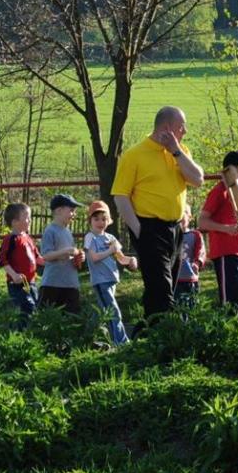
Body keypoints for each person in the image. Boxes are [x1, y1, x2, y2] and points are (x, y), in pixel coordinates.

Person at [111, 106, 205, 321]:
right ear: (167, 128)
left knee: (164, 287)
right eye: (181, 127)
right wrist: (139, 229)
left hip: (175, 228)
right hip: (149, 228)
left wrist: (176, 151)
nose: (185, 131)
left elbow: (198, 179)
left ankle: (146, 332)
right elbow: (120, 196)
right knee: (161, 291)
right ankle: (163, 333)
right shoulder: (135, 155)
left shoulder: (181, 152)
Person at [198, 150, 238, 309]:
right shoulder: (219, 191)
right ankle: (228, 324)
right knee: (231, 301)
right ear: (230, 170)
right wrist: (225, 228)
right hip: (226, 253)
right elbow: (202, 221)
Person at [83, 200, 137, 345]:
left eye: (104, 219)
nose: (100, 222)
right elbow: (94, 258)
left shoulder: (111, 238)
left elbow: (121, 258)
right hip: (101, 281)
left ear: (109, 220)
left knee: (102, 310)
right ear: (90, 220)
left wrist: (131, 260)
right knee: (113, 311)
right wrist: (110, 251)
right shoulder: (90, 237)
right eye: (96, 219)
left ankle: (87, 337)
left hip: (112, 279)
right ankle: (121, 342)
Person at [38, 193, 85, 315]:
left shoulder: (68, 231)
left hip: (70, 283)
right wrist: (66, 251)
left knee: (73, 317)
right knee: (48, 318)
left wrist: (78, 258)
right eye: (71, 211)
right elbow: (46, 256)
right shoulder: (50, 230)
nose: (74, 214)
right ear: (59, 210)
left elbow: (69, 256)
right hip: (52, 284)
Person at [0, 202, 41, 326]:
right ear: (15, 222)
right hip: (17, 284)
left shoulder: (28, 238)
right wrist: (14, 274)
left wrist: (56, 261)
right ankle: (21, 333)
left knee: (35, 307)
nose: (30, 220)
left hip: (31, 283)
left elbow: (37, 258)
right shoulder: (10, 239)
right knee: (27, 308)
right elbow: (1, 259)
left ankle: (30, 332)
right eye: (27, 217)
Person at [174, 204, 206, 308]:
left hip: (190, 277)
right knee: (176, 305)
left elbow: (201, 250)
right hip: (175, 278)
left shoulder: (195, 235)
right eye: (179, 212)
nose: (182, 215)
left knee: (192, 305)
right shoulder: (172, 236)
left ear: (190, 217)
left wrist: (197, 263)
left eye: (185, 212)